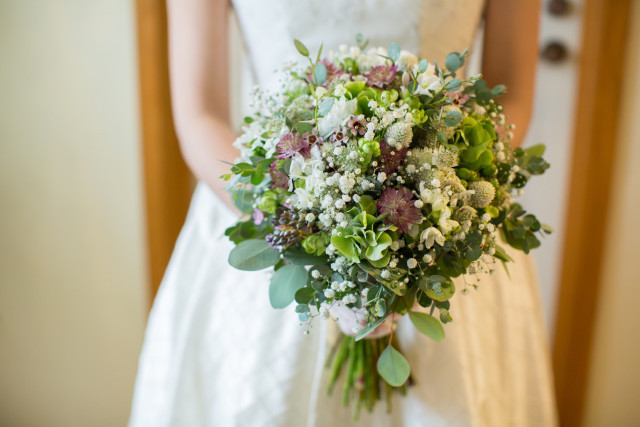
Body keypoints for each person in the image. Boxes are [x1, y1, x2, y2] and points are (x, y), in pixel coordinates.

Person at [130, 0, 557, 425]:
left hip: (442, 221)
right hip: (274, 211)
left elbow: (513, 97)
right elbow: (200, 115)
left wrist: (439, 202)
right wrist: (296, 224)